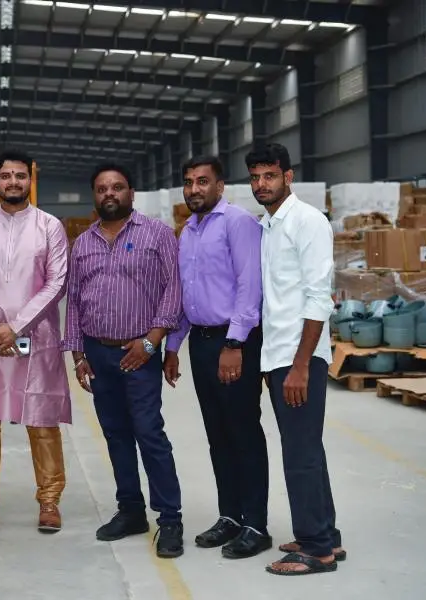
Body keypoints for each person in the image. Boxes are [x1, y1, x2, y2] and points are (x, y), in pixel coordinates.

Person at [63, 164, 184, 558]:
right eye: (102, 189)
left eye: (117, 187)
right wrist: (78, 355)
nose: (109, 194)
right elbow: (74, 302)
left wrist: (151, 342)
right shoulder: (83, 244)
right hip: (98, 353)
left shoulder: (157, 234)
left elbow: (173, 290)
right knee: (115, 434)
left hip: (139, 353)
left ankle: (170, 519)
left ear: (131, 192)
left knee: (149, 432)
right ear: (94, 196)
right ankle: (131, 510)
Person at [0, 149, 71, 533]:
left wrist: (17, 327)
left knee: (41, 419)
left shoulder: (49, 226)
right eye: (6, 176)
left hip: (36, 337)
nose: (13, 182)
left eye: (20, 176)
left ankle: (49, 500)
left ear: (30, 180)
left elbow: (56, 282)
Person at [163, 156, 270, 559]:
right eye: (189, 182)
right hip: (201, 342)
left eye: (202, 181)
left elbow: (250, 285)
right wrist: (173, 346)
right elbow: (187, 295)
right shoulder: (188, 231)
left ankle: (255, 524)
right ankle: (230, 516)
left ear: (220, 186)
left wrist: (235, 344)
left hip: (233, 342)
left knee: (243, 432)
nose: (194, 189)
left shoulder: (238, 222)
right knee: (218, 435)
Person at [245, 143, 344, 576]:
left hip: (299, 356)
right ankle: (326, 535)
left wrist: (301, 365)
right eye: (255, 177)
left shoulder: (307, 222)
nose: (261, 184)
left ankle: (316, 550)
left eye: (270, 175)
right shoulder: (269, 225)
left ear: (288, 176)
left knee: (299, 454)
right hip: (279, 355)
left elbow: (318, 297)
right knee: (307, 449)